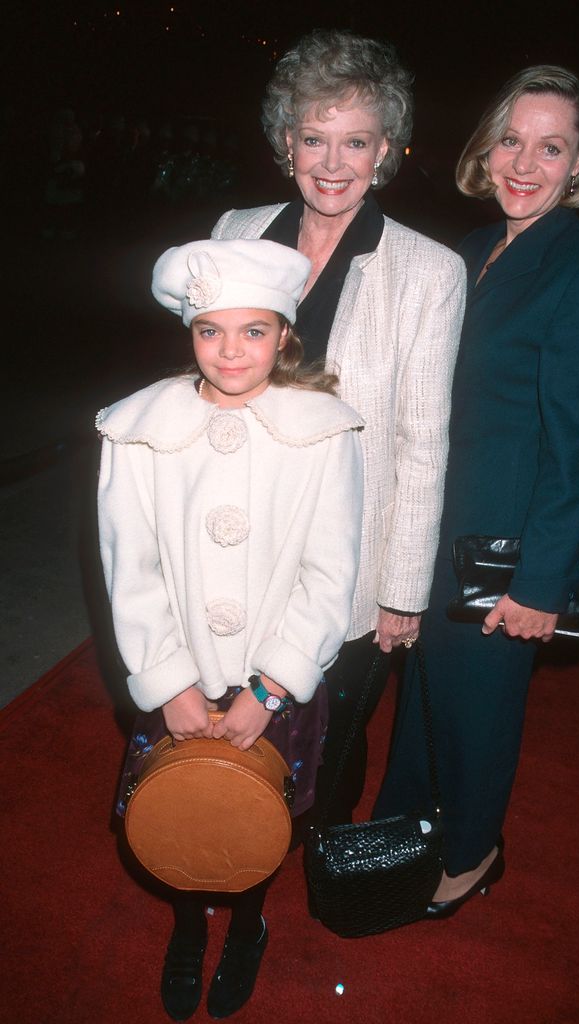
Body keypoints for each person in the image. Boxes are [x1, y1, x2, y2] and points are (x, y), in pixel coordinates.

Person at [375, 65, 579, 917]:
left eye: (550, 147)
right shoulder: (467, 250)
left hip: (505, 539)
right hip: (434, 518)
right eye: (511, 140)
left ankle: (472, 850)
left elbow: (578, 440)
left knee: (477, 706)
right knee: (421, 696)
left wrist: (540, 581)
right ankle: (405, 827)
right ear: (485, 148)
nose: (524, 163)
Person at [97, 238, 364, 1020]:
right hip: (178, 675)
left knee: (261, 818)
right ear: (189, 334)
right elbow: (129, 568)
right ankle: (187, 925)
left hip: (271, 683)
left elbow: (328, 573)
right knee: (173, 813)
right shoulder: (139, 428)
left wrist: (269, 687)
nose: (231, 349)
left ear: (285, 335)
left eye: (253, 330)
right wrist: (169, 682)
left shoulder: (322, 431)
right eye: (210, 330)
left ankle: (247, 923)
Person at [211, 28, 466, 824]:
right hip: (237, 534)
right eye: (313, 137)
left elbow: (422, 444)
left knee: (332, 741)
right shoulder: (233, 234)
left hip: (348, 558)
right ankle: (227, 854)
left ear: (385, 148)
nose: (330, 162)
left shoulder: (428, 271)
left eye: (353, 141)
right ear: (285, 140)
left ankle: (311, 860)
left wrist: (401, 590)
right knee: (231, 727)